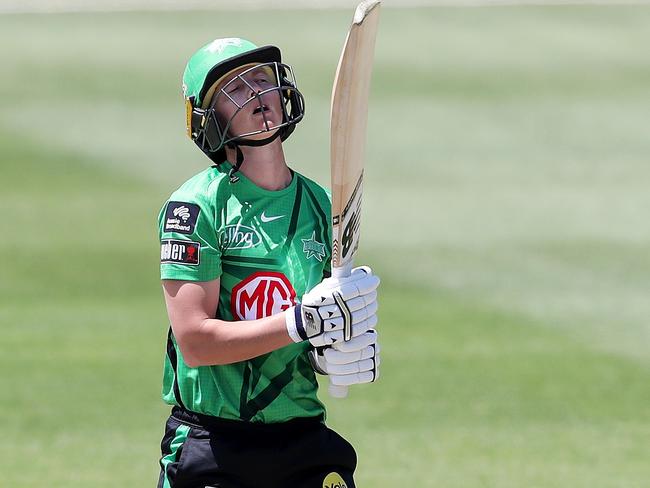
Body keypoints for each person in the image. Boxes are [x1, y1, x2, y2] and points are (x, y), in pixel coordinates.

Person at [156, 37, 381, 488]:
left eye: (262, 80)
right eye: (236, 90)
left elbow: (319, 322)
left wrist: (338, 347)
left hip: (302, 438)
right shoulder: (196, 207)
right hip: (215, 445)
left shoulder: (320, 203)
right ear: (209, 118)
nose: (258, 94)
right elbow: (195, 341)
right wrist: (299, 323)